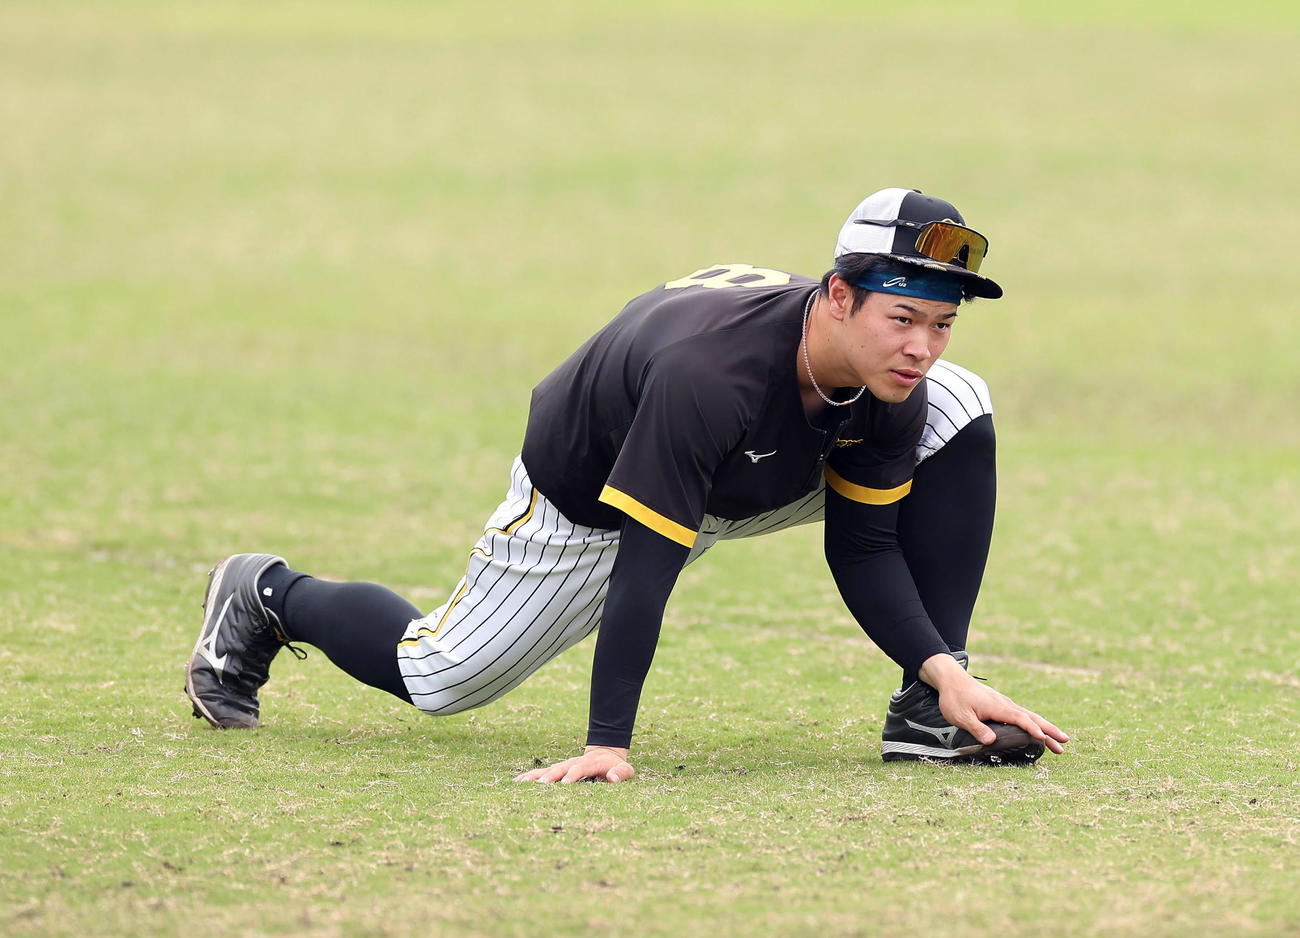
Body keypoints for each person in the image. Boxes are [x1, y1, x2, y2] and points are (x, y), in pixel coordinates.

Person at [184, 187, 1069, 782]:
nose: (922, 344)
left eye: (941, 322)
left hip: (764, 460)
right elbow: (647, 569)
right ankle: (267, 594)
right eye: (903, 318)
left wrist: (936, 664)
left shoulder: (892, 380)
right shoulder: (711, 379)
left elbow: (866, 544)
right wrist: (607, 743)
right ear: (838, 297)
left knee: (961, 399)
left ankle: (934, 708)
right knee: (442, 678)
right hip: (596, 499)